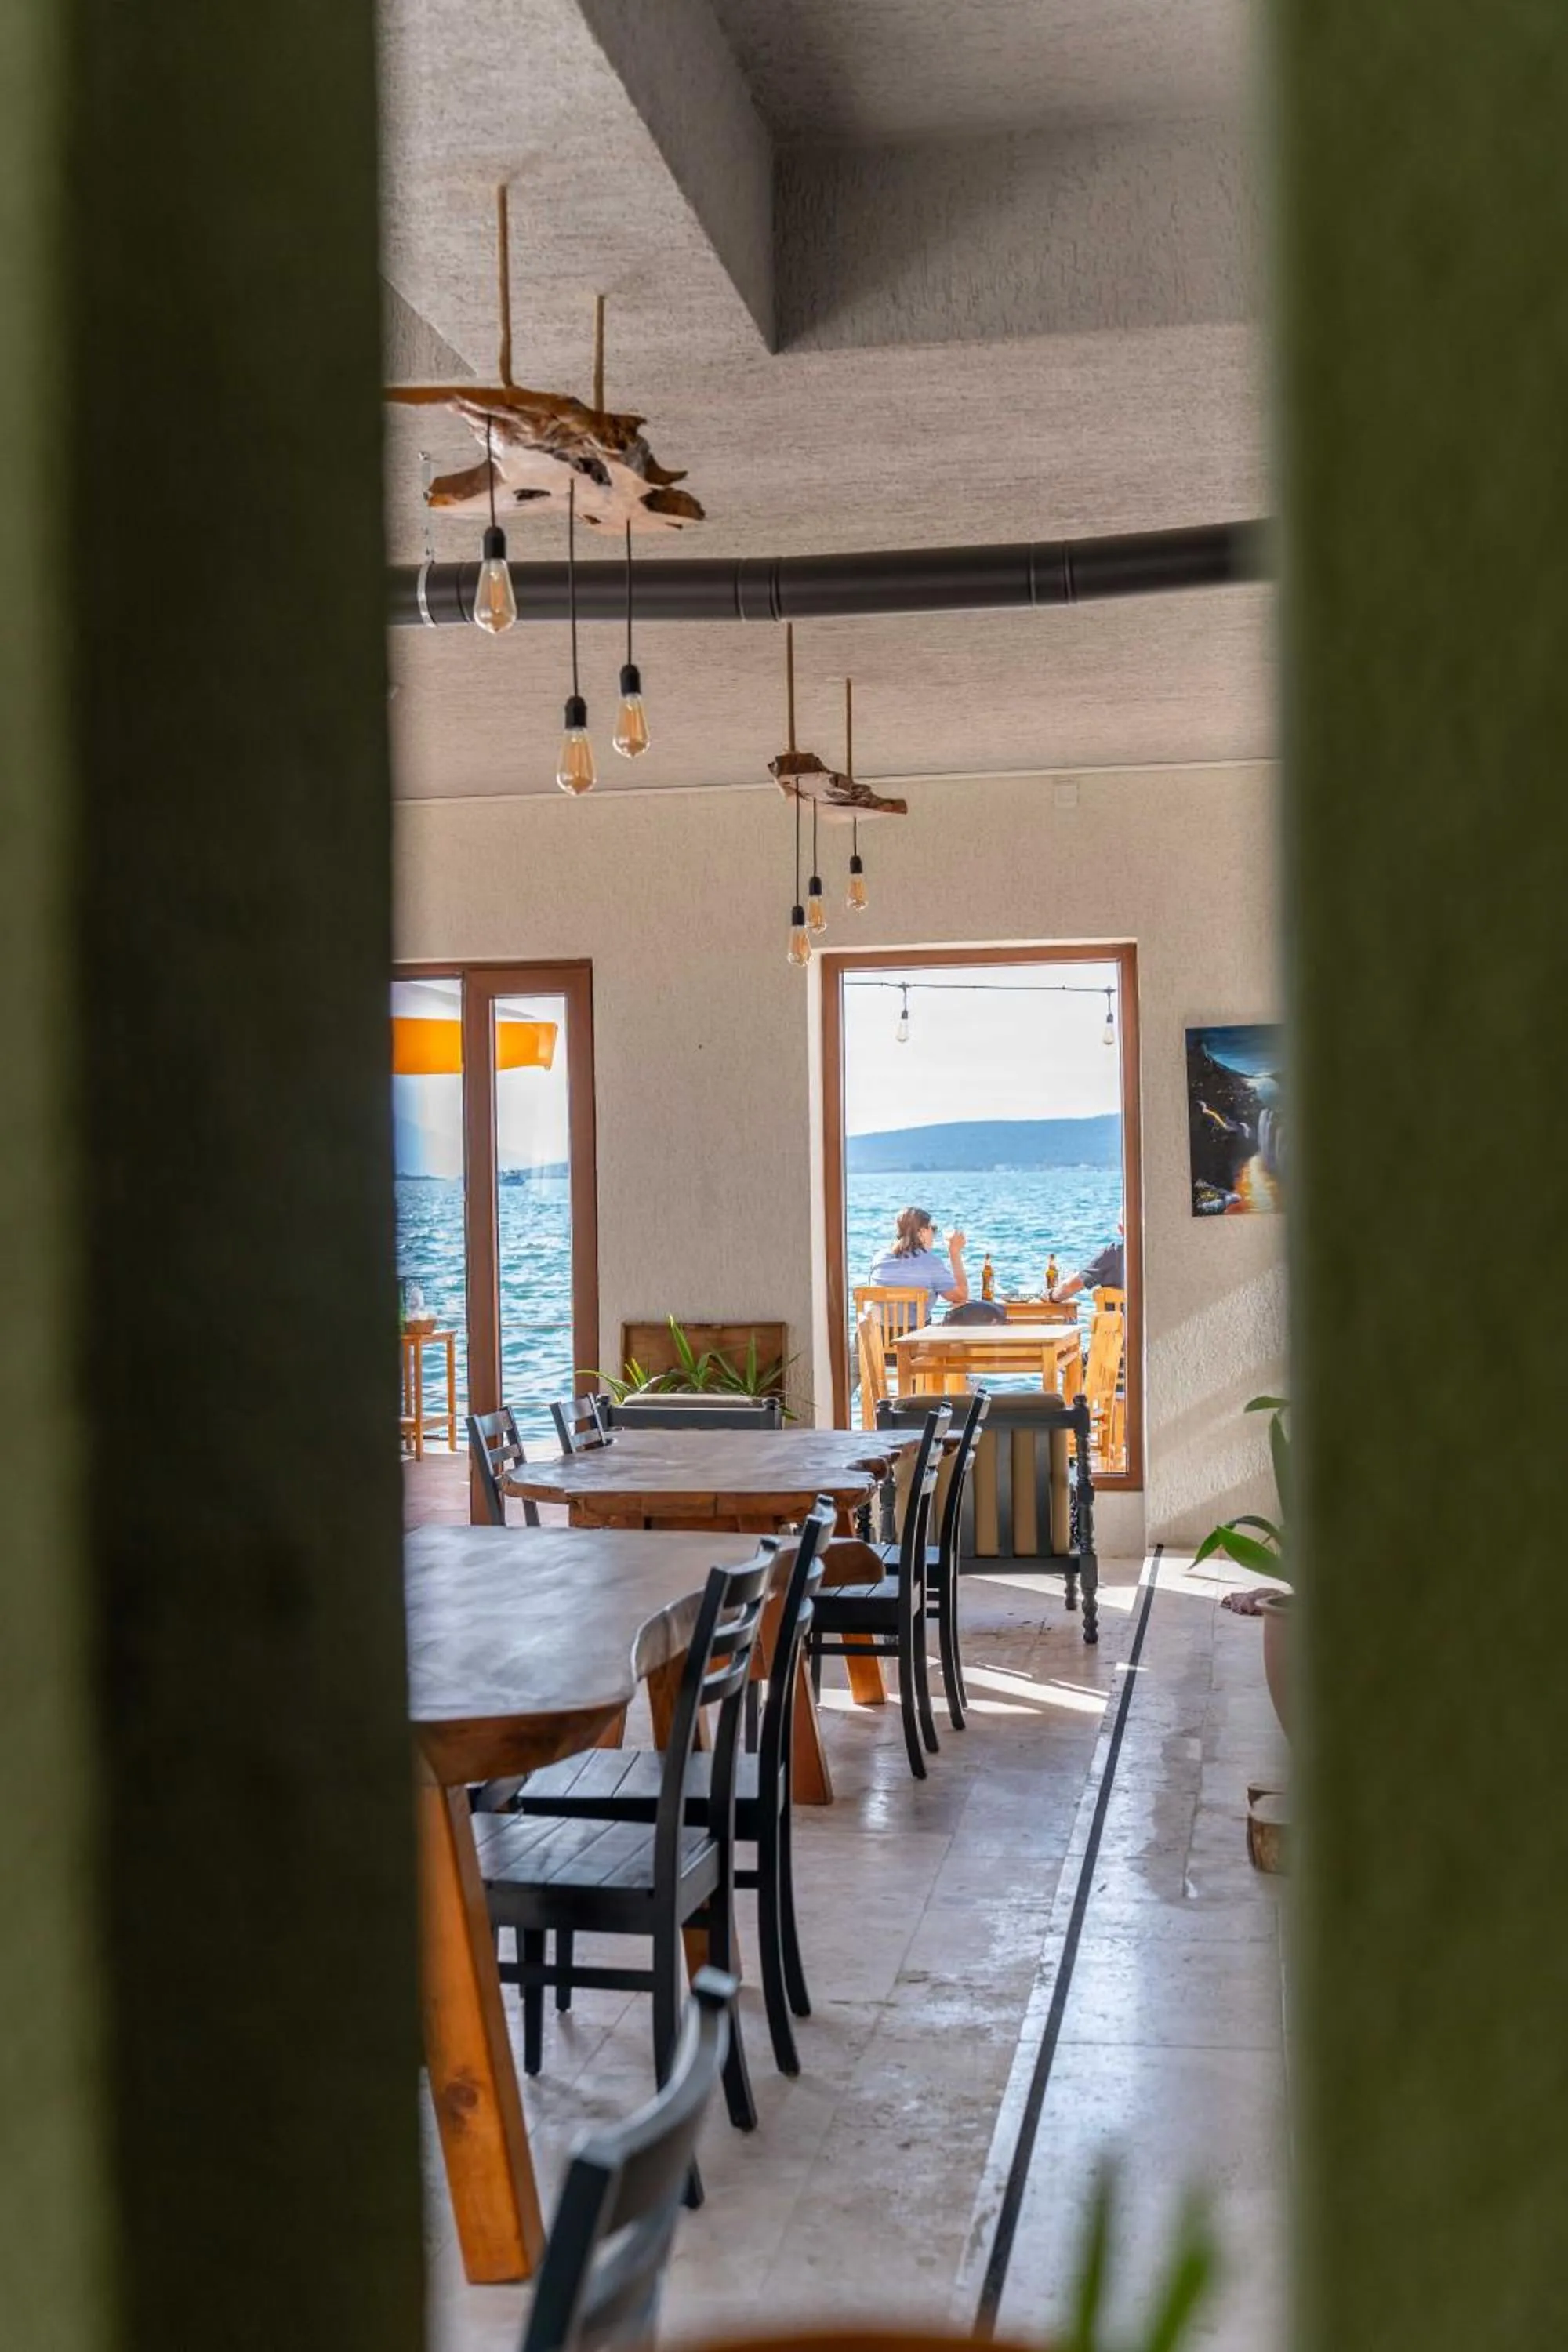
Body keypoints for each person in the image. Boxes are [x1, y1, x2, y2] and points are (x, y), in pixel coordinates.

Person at [868, 1206, 970, 1308]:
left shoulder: (879, 1258)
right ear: (922, 1233)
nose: (933, 1234)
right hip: (918, 1325)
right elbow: (961, 1296)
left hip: (877, 1324)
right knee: (960, 1307)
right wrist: (954, 1253)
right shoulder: (930, 1263)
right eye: (932, 1228)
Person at [1048, 1218, 1124, 1305]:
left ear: (1120, 1228)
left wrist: (1051, 1295)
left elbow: (1072, 1286)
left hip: (1119, 1319)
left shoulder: (1114, 1253)